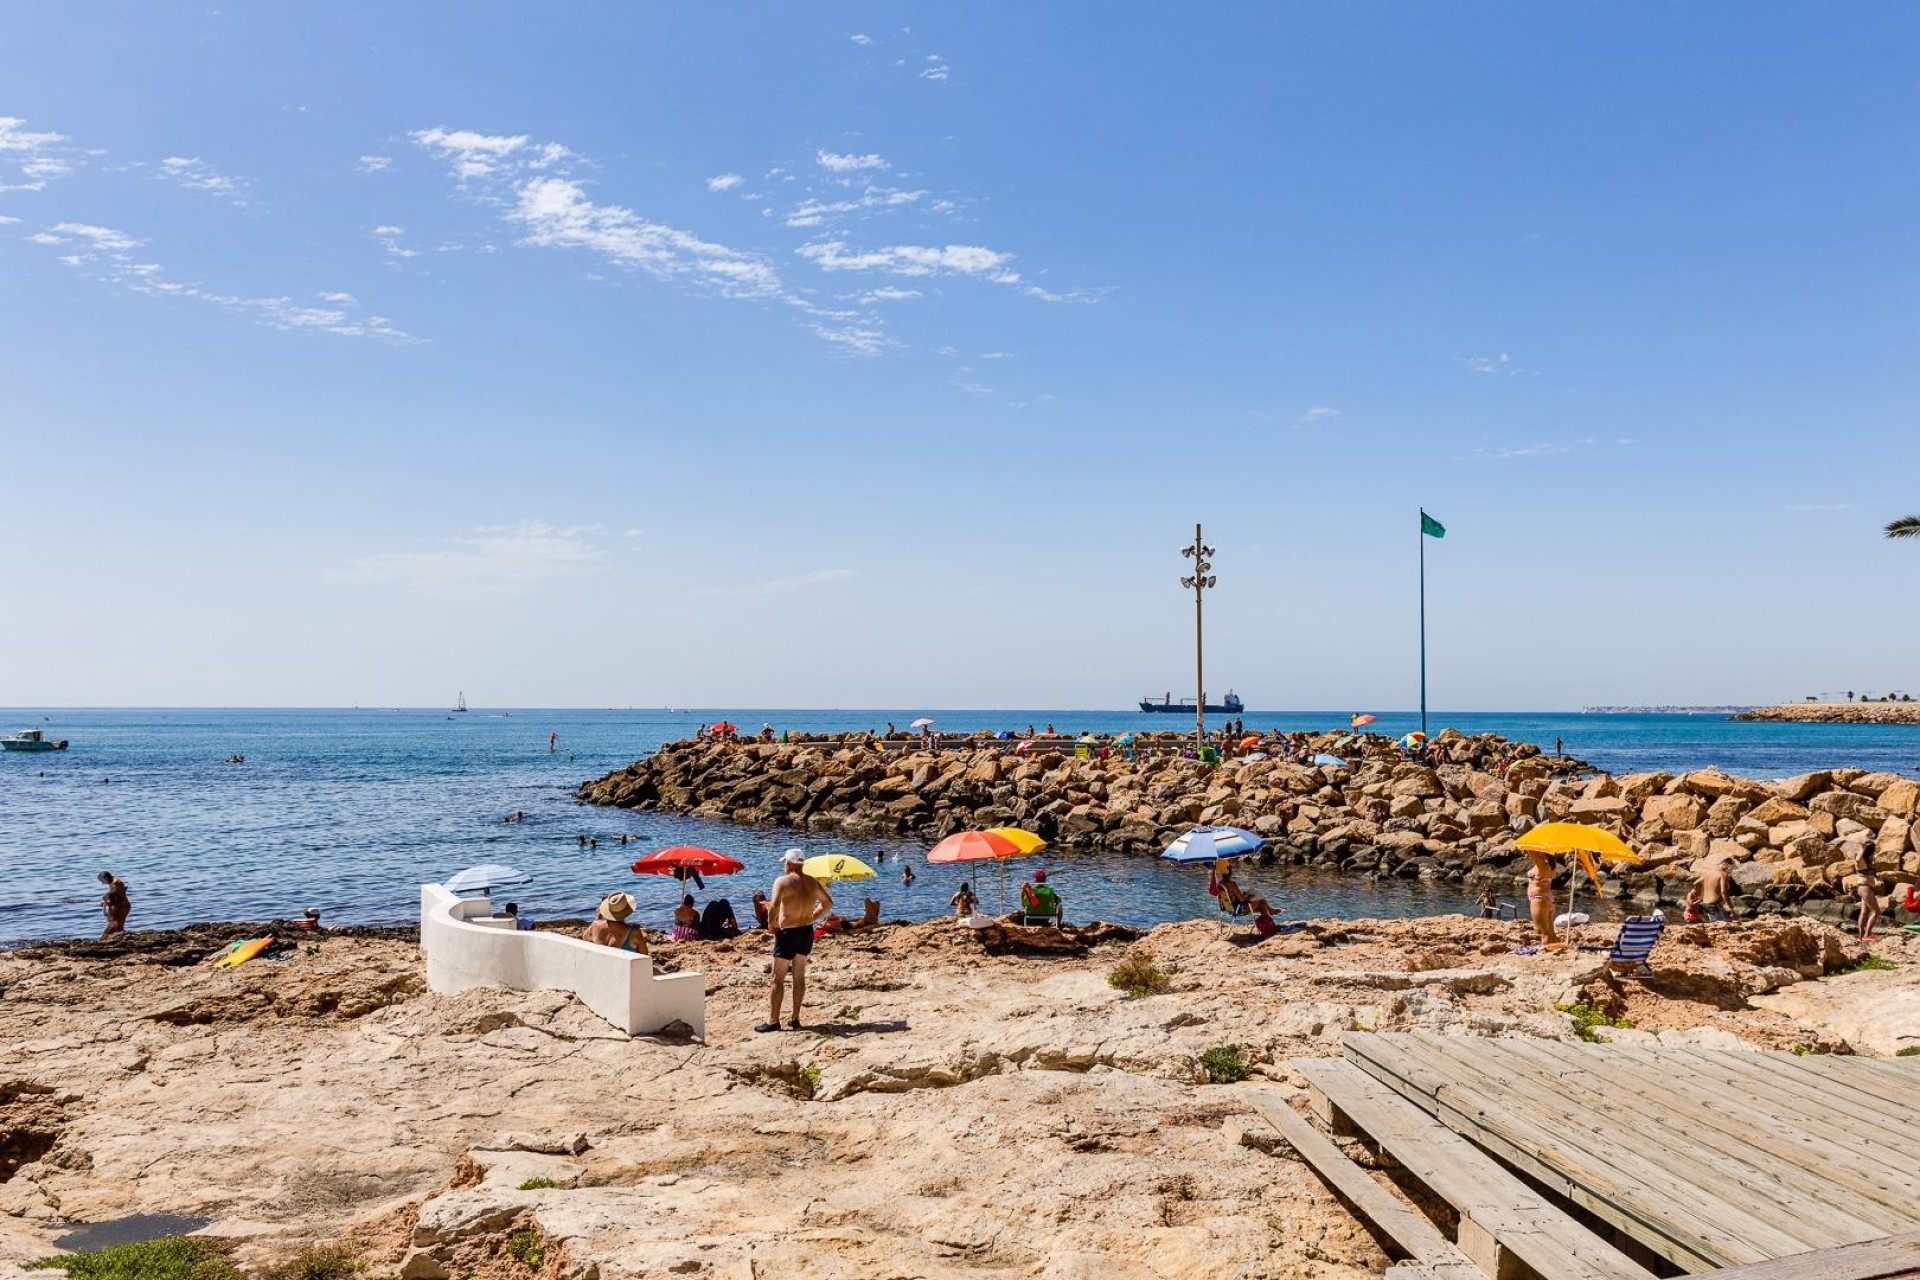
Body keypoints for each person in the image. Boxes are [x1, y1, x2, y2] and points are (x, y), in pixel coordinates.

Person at [760, 850, 832, 1033]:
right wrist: (813, 916)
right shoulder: (812, 882)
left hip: (788, 932)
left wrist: (771, 925)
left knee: (777, 978)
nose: (784, 866)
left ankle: (773, 1020)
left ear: (790, 864)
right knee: (799, 976)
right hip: (806, 931)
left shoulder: (782, 881)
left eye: (786, 863)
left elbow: (774, 906)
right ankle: (795, 1018)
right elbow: (828, 903)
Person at [582, 893, 648, 953]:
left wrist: (598, 918)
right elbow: (645, 956)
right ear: (627, 911)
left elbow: (584, 939)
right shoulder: (633, 933)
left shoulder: (594, 925)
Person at [1526, 852, 1559, 944]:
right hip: (1546, 898)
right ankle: (1555, 950)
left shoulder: (1542, 865)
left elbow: (1531, 851)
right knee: (1550, 933)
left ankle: (1547, 953)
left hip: (1539, 900)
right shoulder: (1551, 864)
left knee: (1544, 932)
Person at [1857, 849, 1881, 941]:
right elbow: (1858, 859)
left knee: (1865, 912)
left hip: (1865, 888)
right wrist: (1862, 847)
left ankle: (1860, 937)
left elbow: (1873, 874)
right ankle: (1867, 935)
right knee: (1876, 912)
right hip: (1865, 888)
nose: (1873, 856)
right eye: (1872, 854)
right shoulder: (1861, 862)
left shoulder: (1869, 863)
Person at [97, 871, 130, 937]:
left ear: (106, 878)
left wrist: (106, 901)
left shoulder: (116, 884)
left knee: (108, 933)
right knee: (118, 929)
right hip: (120, 907)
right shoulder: (112, 881)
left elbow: (117, 898)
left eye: (102, 881)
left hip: (120, 908)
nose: (102, 883)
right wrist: (105, 902)